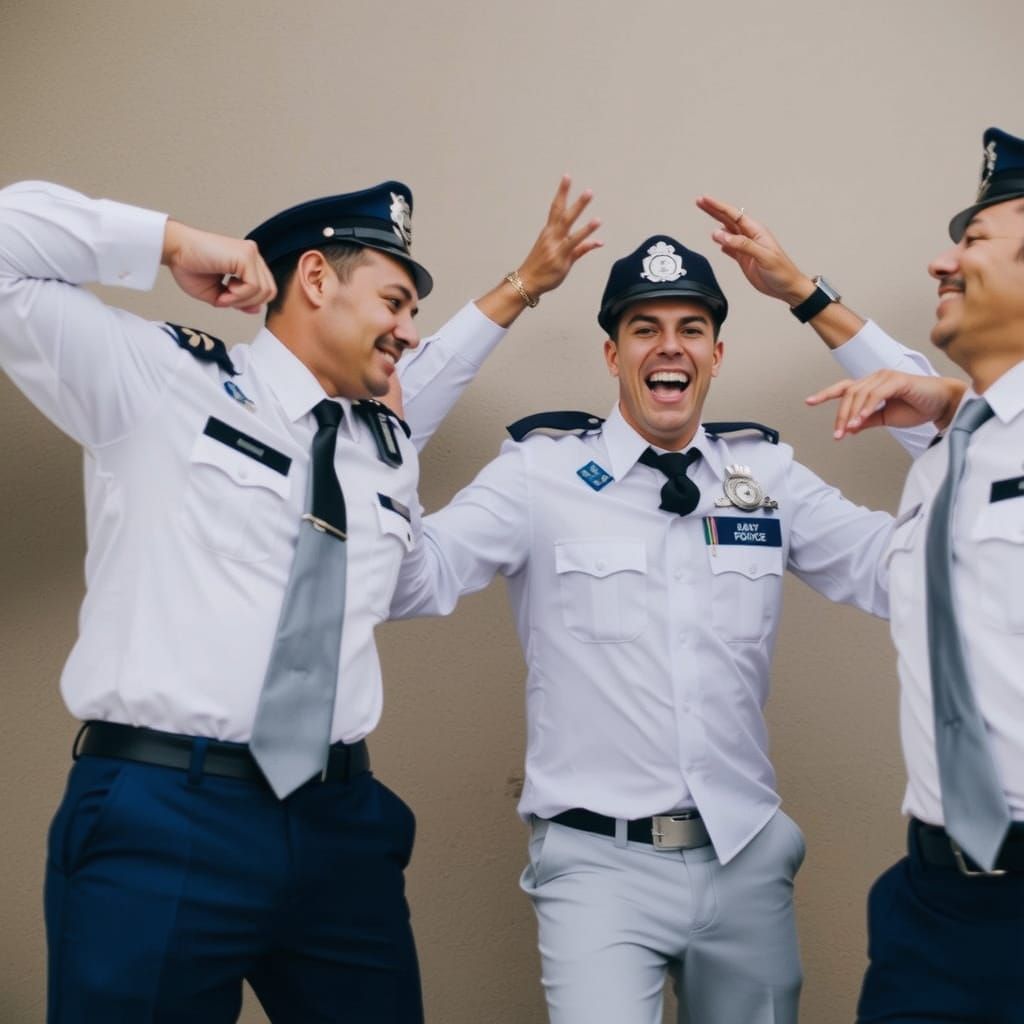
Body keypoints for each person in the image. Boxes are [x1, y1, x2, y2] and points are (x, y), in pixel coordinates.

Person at [0, 174, 599, 1023]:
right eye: (395, 301)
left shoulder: (380, 447)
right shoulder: (162, 385)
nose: (410, 331)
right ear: (315, 279)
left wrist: (522, 297)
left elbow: (418, 456)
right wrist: (172, 241)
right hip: (167, 813)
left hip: (336, 826)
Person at [386, 227, 942, 1024]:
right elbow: (407, 580)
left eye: (690, 329)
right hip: (597, 868)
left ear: (717, 353)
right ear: (613, 356)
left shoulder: (765, 478)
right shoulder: (538, 475)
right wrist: (513, 294)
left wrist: (810, 301)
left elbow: (918, 574)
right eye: (643, 328)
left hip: (745, 858)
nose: (667, 347)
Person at [703, 126, 1024, 1024]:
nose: (941, 261)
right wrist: (803, 294)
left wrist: (957, 398)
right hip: (935, 903)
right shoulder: (958, 449)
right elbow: (941, 405)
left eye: (974, 245)